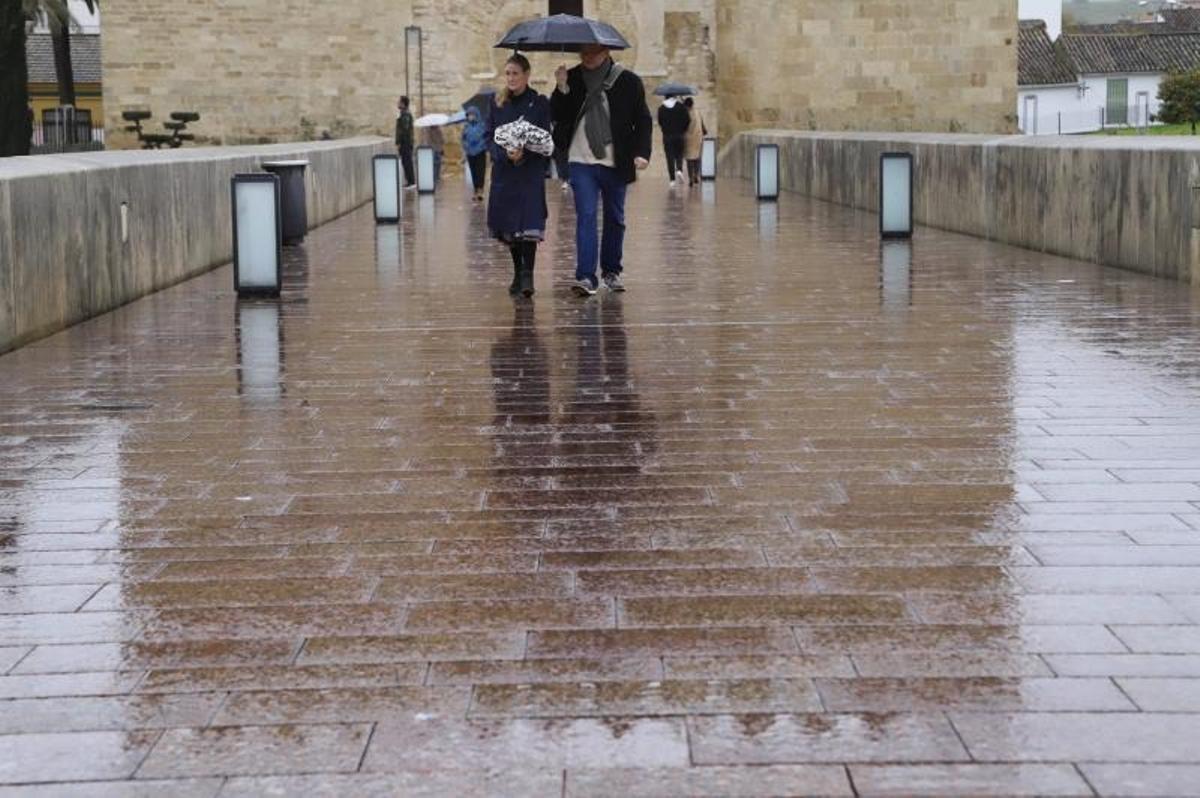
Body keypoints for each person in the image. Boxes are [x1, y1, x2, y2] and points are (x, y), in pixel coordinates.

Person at [552, 45, 652, 297]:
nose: (587, 56)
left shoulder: (628, 81)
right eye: (583, 52)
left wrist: (642, 152)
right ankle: (586, 276)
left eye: (593, 52)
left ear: (606, 51)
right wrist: (561, 88)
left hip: (616, 161)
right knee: (586, 215)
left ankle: (611, 271)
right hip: (580, 160)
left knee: (615, 218)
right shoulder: (571, 78)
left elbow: (642, 119)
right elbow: (558, 116)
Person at [488, 53, 554, 298]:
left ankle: (528, 275)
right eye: (507, 73)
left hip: (529, 173)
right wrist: (505, 154)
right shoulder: (497, 103)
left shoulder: (539, 103)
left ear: (526, 75)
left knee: (528, 224)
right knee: (510, 227)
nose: (511, 78)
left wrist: (524, 152)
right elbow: (489, 137)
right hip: (505, 174)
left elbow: (545, 137)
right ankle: (518, 272)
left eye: (515, 73)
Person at [657, 96, 690, 186]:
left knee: (669, 157)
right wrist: (683, 130)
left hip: (667, 136)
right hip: (679, 135)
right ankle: (679, 169)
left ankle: (672, 180)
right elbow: (687, 120)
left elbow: (660, 122)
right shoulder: (681, 107)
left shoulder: (661, 108)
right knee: (679, 154)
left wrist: (665, 128)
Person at [461, 106, 488, 201]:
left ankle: (480, 190)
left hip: (480, 152)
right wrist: (466, 146)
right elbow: (463, 138)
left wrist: (481, 145)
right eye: (469, 115)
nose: (470, 116)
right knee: (473, 172)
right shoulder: (466, 126)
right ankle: (475, 190)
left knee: (480, 171)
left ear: (476, 115)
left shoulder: (482, 125)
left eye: (472, 114)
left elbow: (486, 137)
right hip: (470, 152)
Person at [683, 97, 707, 187]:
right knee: (697, 157)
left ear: (686, 106)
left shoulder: (685, 114)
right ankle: (696, 175)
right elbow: (703, 125)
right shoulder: (697, 112)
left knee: (689, 159)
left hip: (688, 138)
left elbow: (683, 126)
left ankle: (691, 178)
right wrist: (704, 131)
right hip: (698, 137)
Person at [395, 96, 416, 189]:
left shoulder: (405, 114)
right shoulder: (403, 114)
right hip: (405, 142)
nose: (398, 103)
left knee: (407, 162)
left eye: (399, 102)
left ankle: (411, 182)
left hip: (406, 142)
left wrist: (400, 142)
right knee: (405, 162)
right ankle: (409, 181)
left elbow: (405, 129)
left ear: (403, 104)